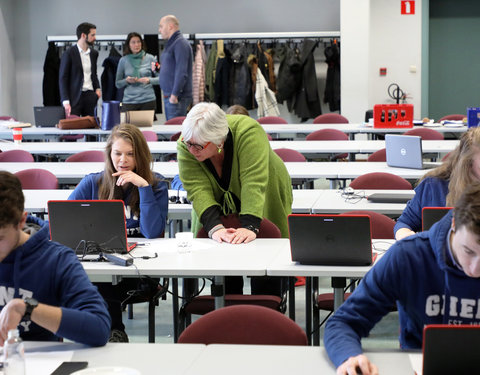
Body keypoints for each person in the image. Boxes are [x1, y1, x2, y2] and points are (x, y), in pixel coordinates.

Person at [325, 184, 480, 375]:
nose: (475, 269)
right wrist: (350, 356)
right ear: (454, 224)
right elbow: (343, 322)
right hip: (417, 365)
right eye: (468, 251)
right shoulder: (408, 256)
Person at [177, 102, 292, 295]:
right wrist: (215, 228)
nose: (191, 149)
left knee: (264, 250)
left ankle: (267, 306)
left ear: (219, 141)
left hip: (265, 184)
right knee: (221, 245)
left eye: (197, 146)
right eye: (188, 143)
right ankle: (229, 303)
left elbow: (253, 182)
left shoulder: (249, 131)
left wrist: (250, 227)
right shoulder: (188, 142)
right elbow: (197, 189)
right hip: (219, 194)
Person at [69, 123, 169, 341]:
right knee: (96, 277)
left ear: (140, 156)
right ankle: (113, 332)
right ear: (109, 154)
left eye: (130, 154)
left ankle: (113, 331)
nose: (123, 160)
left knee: (100, 282)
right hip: (102, 265)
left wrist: (143, 188)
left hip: (142, 269)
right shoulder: (93, 183)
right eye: (117, 153)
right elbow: (66, 219)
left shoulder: (157, 185)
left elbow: (152, 232)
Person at [0, 171, 110, 347]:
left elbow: (99, 327)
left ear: (21, 221)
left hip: (37, 363)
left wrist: (27, 308)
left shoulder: (56, 259)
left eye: (0, 239)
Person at [395, 127, 480, 240]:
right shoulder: (433, 186)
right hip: (436, 255)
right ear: (467, 165)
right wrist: (405, 235)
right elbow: (404, 223)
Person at [59, 22, 101, 117]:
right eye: (92, 35)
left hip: (90, 95)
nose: (95, 38)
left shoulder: (94, 53)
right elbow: (63, 78)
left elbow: (94, 74)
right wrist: (65, 100)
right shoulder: (69, 53)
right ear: (83, 35)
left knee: (91, 128)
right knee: (73, 128)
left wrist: (98, 88)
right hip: (74, 97)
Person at [158, 15, 192, 120]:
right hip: (171, 96)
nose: (159, 30)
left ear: (170, 26)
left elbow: (182, 72)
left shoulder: (180, 43)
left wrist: (174, 95)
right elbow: (171, 68)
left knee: (175, 133)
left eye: (161, 26)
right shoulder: (172, 43)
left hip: (177, 98)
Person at [115, 32, 159, 113]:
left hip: (148, 100)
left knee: (147, 125)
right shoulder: (123, 60)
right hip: (129, 102)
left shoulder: (151, 59)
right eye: (133, 42)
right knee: (127, 125)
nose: (137, 45)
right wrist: (127, 80)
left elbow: (161, 78)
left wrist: (149, 80)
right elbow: (118, 83)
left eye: (138, 42)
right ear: (129, 45)